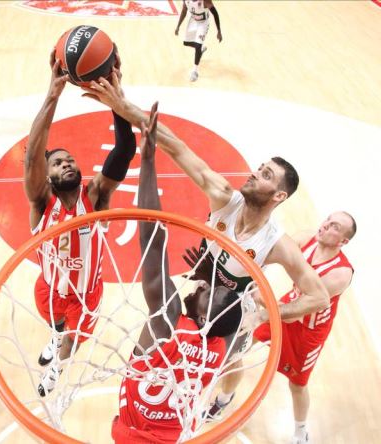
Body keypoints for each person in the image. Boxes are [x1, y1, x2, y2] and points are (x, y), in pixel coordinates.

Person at [82, 71, 330, 418]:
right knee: (173, 342)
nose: (255, 172)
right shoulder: (225, 198)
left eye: (266, 175)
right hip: (202, 293)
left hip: (234, 311)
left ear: (279, 196)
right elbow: (176, 145)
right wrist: (122, 106)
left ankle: (224, 399)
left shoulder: (277, 244)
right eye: (260, 167)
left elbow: (319, 297)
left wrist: (266, 313)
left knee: (228, 363)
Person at [112, 103, 243, 444]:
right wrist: (210, 278)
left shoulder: (167, 321)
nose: (200, 286)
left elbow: (152, 240)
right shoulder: (221, 347)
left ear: (203, 317)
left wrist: (148, 161)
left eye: (206, 291)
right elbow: (232, 318)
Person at [24, 52, 136, 397]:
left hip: (87, 294)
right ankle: (54, 338)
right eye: (58, 163)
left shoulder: (96, 196)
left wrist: (117, 100)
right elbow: (32, 155)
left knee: (72, 339)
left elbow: (124, 150)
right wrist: (52, 95)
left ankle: (56, 368)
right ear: (48, 176)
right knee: (56, 326)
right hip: (49, 287)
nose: (67, 164)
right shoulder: (41, 203)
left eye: (70, 160)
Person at [243, 212, 355, 444]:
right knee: (243, 343)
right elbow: (271, 253)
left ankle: (300, 431)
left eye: (334, 226)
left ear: (343, 241)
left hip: (308, 329)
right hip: (289, 303)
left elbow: (296, 314)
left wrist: (260, 298)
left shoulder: (340, 274)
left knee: (297, 384)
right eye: (328, 220)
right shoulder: (307, 237)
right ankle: (223, 395)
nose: (325, 225)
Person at [174, 0, 222, 82]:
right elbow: (184, 11)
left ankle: (195, 71)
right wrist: (178, 26)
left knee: (198, 45)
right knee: (186, 43)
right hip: (193, 21)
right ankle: (200, 50)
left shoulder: (205, 1)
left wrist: (219, 31)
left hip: (203, 23)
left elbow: (215, 13)